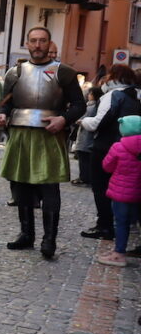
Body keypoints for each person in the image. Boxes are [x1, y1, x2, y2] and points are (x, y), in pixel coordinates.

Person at [0, 27, 84, 259]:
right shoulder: (15, 72)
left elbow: (78, 105)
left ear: (49, 43)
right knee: (21, 185)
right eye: (33, 41)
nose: (37, 45)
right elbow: (6, 103)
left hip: (49, 134)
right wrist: (2, 114)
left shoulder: (63, 72)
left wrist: (64, 119)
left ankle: (49, 239)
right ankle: (26, 235)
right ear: (27, 43)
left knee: (49, 187)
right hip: (21, 134)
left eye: (42, 41)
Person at [77, 65, 141, 240]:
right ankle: (122, 224)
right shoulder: (136, 95)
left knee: (101, 188)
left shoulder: (113, 95)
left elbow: (99, 122)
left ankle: (104, 226)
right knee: (126, 189)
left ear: (114, 77)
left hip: (107, 148)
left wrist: (83, 122)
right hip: (132, 149)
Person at [96, 115, 141, 267]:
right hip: (138, 192)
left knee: (121, 222)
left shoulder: (118, 147)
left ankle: (118, 254)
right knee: (135, 222)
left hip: (121, 193)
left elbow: (106, 166)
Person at [71, 87, 101, 186]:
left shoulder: (91, 107)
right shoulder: (95, 106)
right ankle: (85, 177)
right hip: (88, 136)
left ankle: (84, 178)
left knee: (84, 159)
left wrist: (78, 121)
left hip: (86, 136)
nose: (88, 95)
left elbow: (81, 119)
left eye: (90, 93)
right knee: (85, 159)